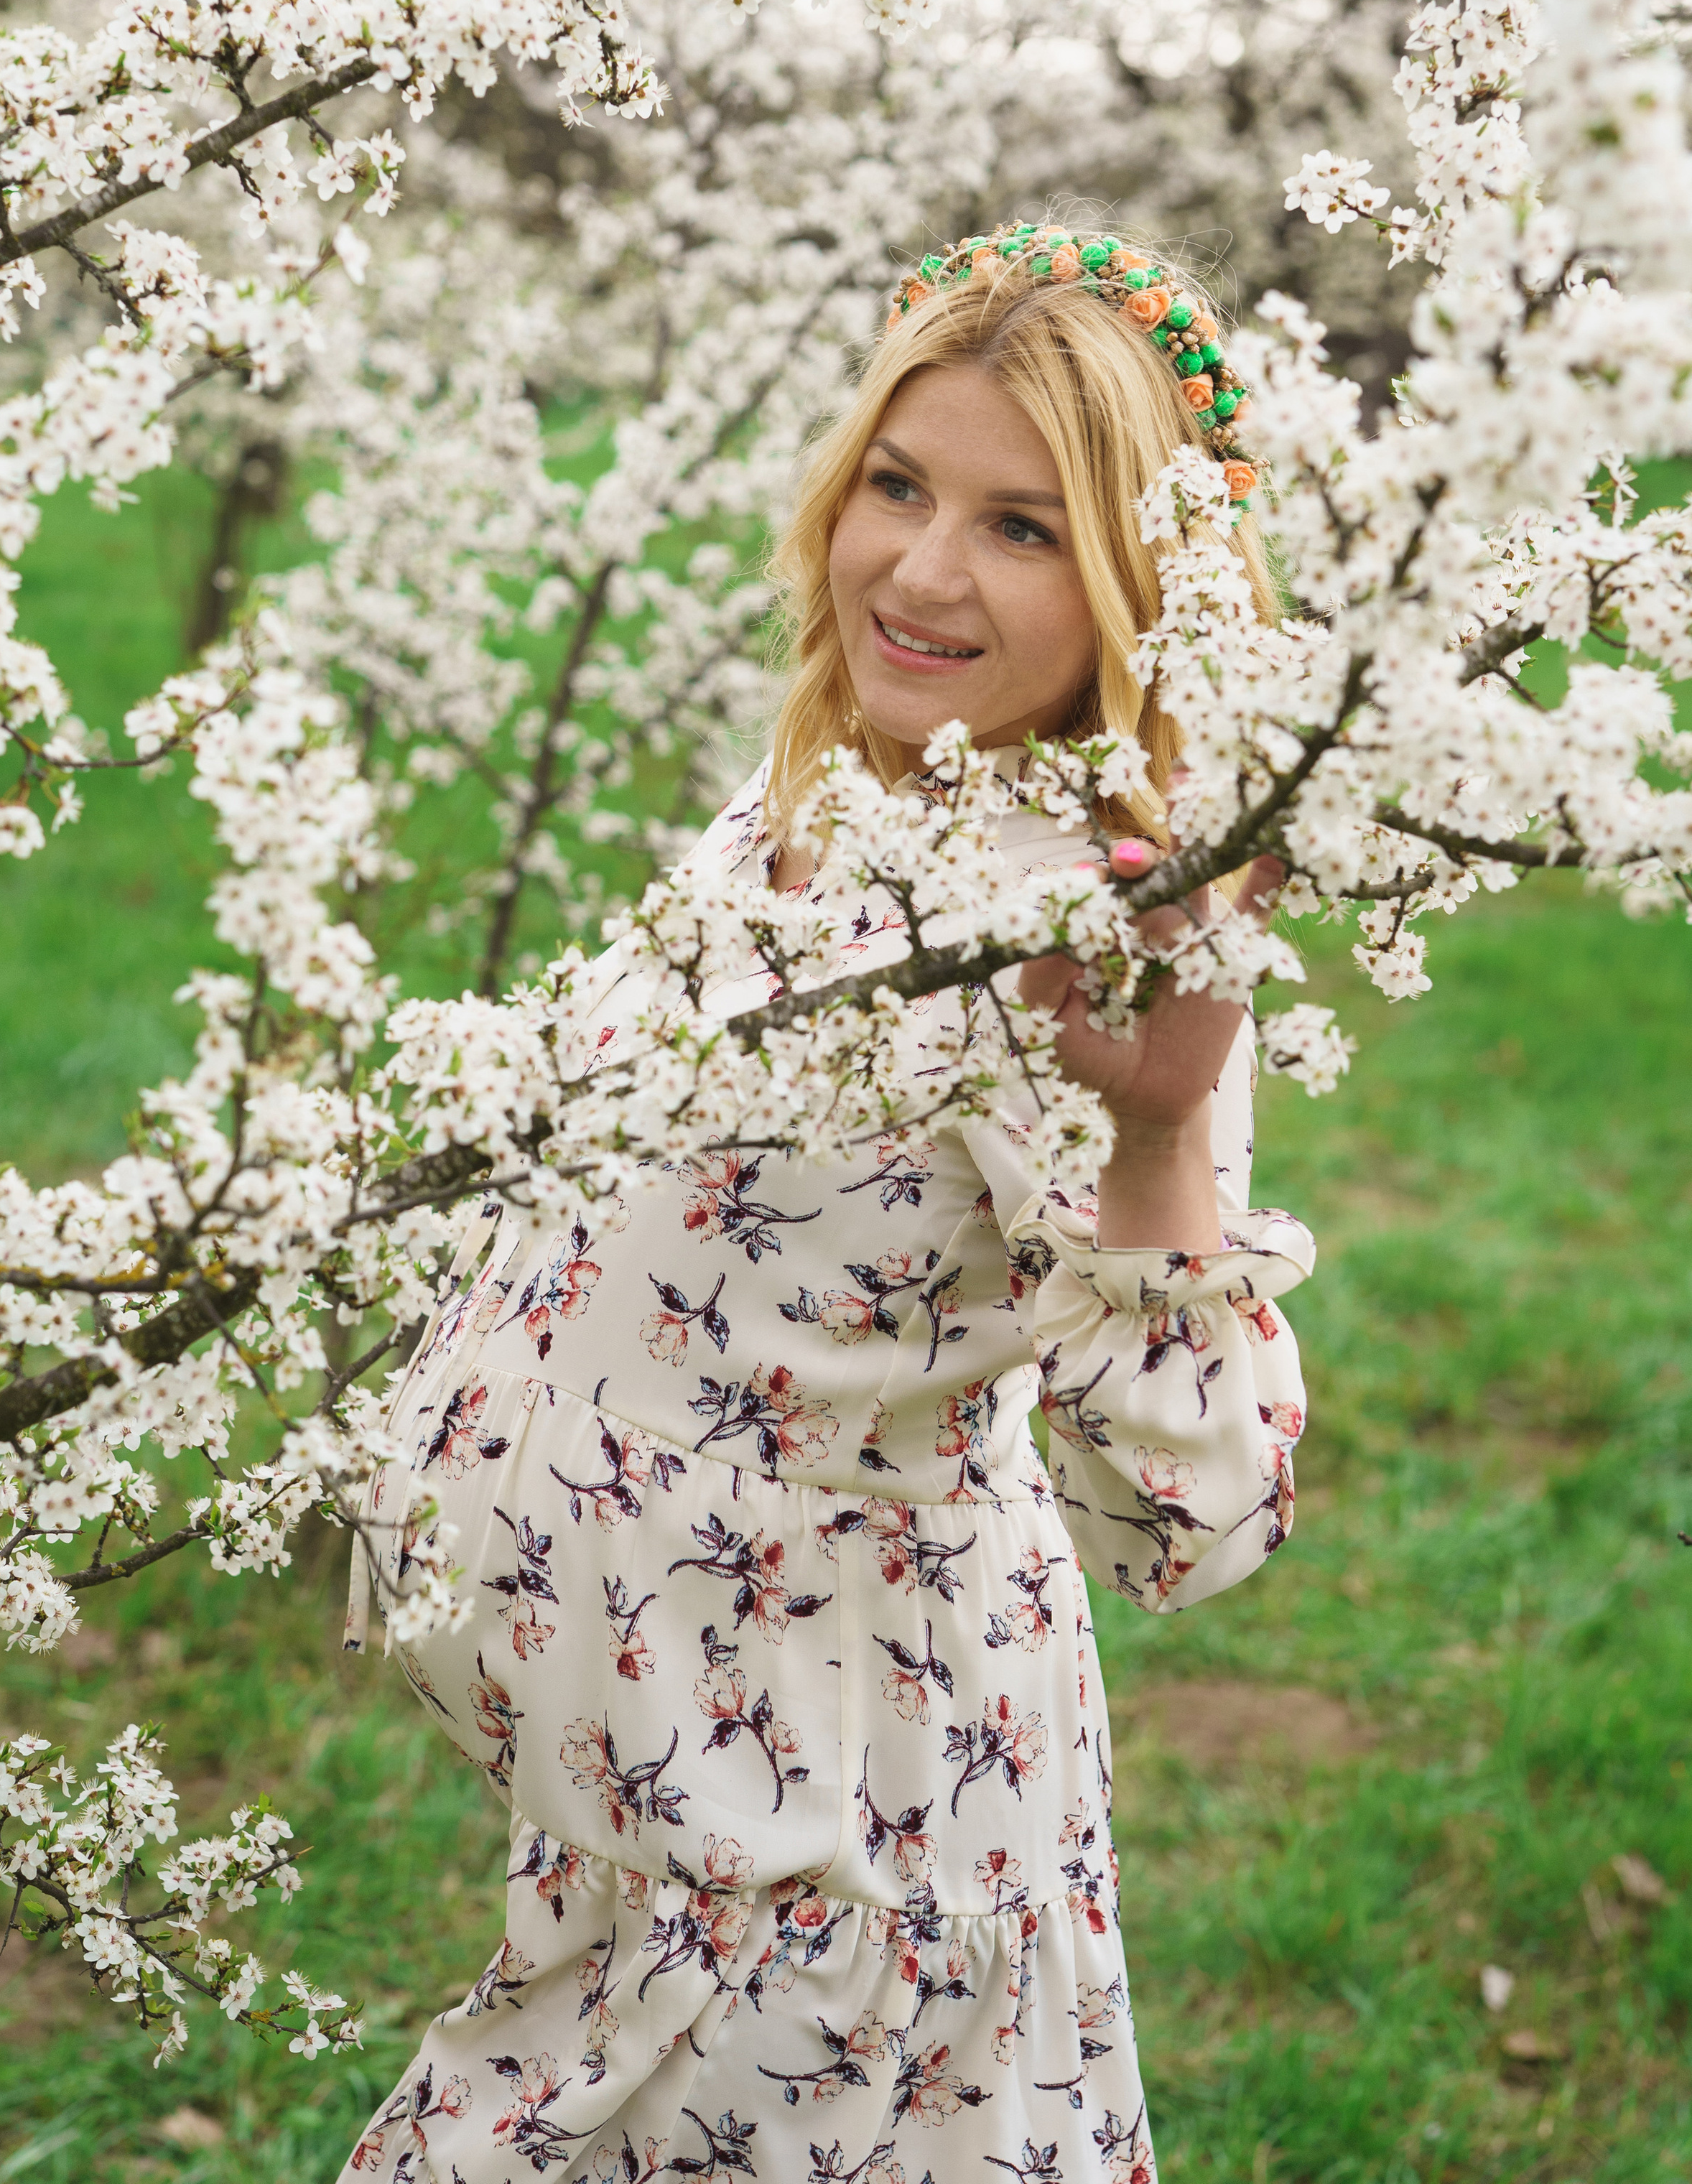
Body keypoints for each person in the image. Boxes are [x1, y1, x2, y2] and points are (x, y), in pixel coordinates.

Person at [341, 223, 1314, 2184]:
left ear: (1143, 582)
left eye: (1025, 529)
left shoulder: (1083, 920)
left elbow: (1193, 1523)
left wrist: (1153, 1142)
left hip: (833, 1874)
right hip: (661, 1833)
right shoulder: (840, 785)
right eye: (899, 484)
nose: (922, 571)